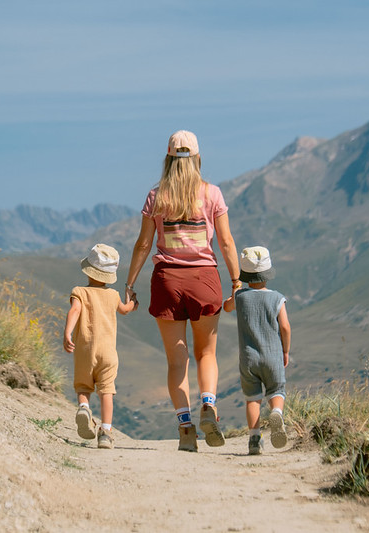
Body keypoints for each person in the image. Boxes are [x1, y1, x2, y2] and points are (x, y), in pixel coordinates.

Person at [124, 130, 240, 452]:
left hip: (167, 281)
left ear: (168, 159)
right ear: (199, 158)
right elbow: (227, 242)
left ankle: (186, 427)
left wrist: (130, 284)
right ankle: (209, 404)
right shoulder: (212, 194)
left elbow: (144, 244)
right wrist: (236, 282)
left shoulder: (156, 196)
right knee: (206, 353)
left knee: (177, 361)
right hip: (205, 280)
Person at [64, 243, 138, 449]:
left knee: (83, 386)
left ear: (89, 271)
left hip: (85, 349)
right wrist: (132, 302)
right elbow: (124, 310)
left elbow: (75, 311)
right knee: (107, 391)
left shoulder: (79, 291)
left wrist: (68, 332)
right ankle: (105, 432)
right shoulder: (113, 295)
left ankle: (84, 407)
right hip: (108, 353)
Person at [223, 245, 291, 455]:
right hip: (273, 355)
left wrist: (235, 290)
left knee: (252, 398)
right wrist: (285, 351)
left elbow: (226, 307)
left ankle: (254, 439)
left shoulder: (241, 297)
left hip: (249, 358)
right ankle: (277, 413)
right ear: (268, 273)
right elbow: (285, 327)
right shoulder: (277, 298)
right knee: (276, 390)